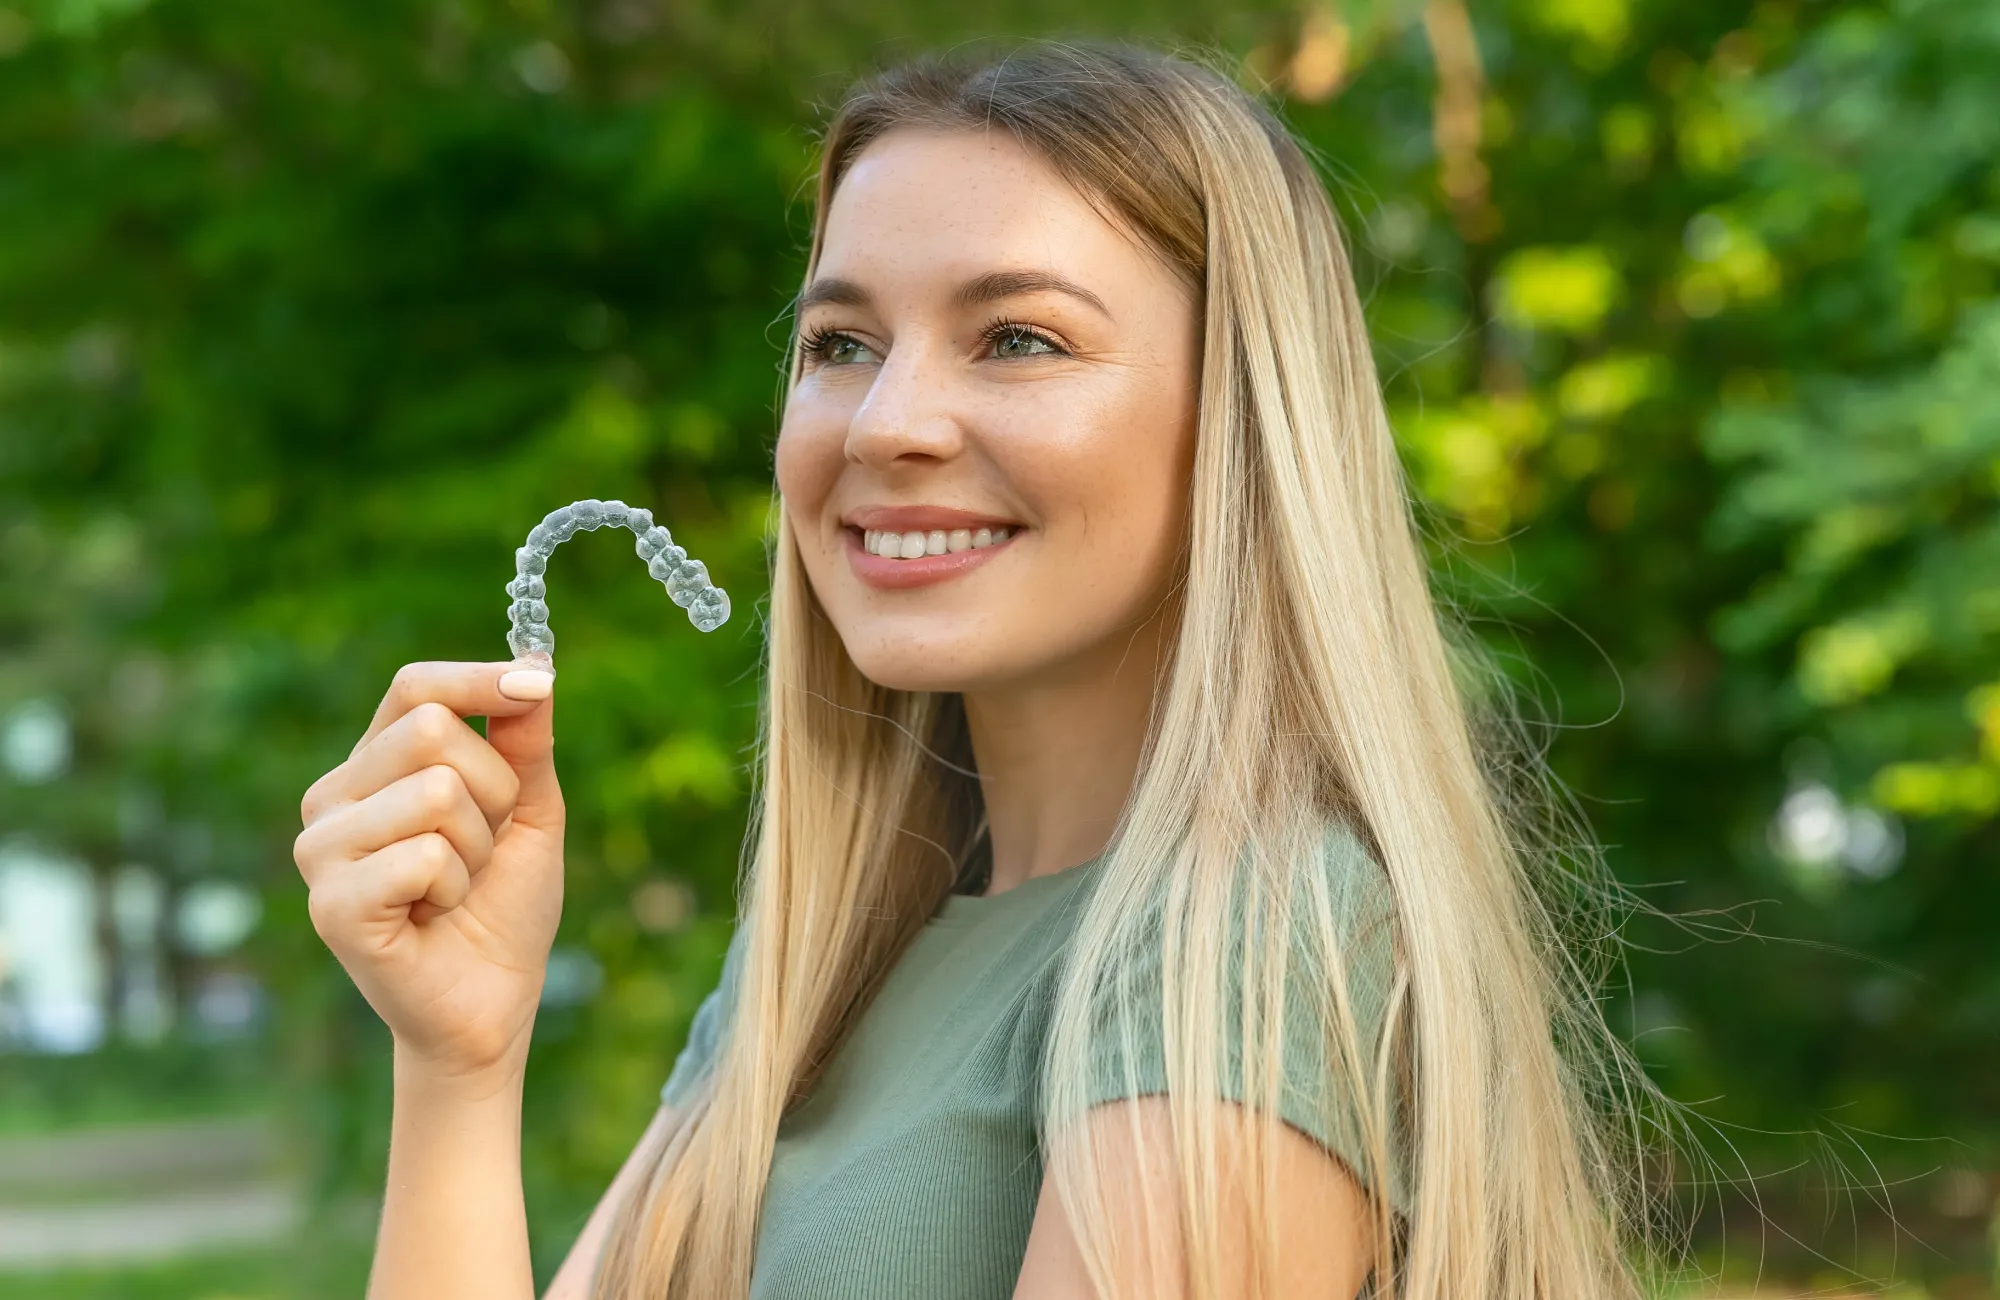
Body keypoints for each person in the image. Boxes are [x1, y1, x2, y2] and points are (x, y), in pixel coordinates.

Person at [294, 41, 1655, 1300]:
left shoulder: (1245, 945)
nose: (887, 423)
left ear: (1239, 418)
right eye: (842, 345)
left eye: (1017, 338)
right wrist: (462, 1063)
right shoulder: (814, 973)